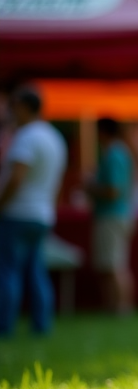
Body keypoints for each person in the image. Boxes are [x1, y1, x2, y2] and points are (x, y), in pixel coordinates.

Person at [0, 87, 67, 337]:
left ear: (26, 107)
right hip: (41, 214)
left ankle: (4, 326)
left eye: (14, 106)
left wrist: (1, 205)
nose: (10, 111)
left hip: (18, 213)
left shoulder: (27, 137)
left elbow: (16, 179)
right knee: (36, 271)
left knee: (7, 270)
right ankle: (41, 325)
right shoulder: (54, 137)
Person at [87, 118, 136, 315]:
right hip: (119, 214)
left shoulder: (114, 154)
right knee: (112, 263)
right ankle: (114, 307)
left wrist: (90, 188)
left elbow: (114, 190)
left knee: (115, 264)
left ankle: (122, 308)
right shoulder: (120, 152)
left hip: (112, 215)